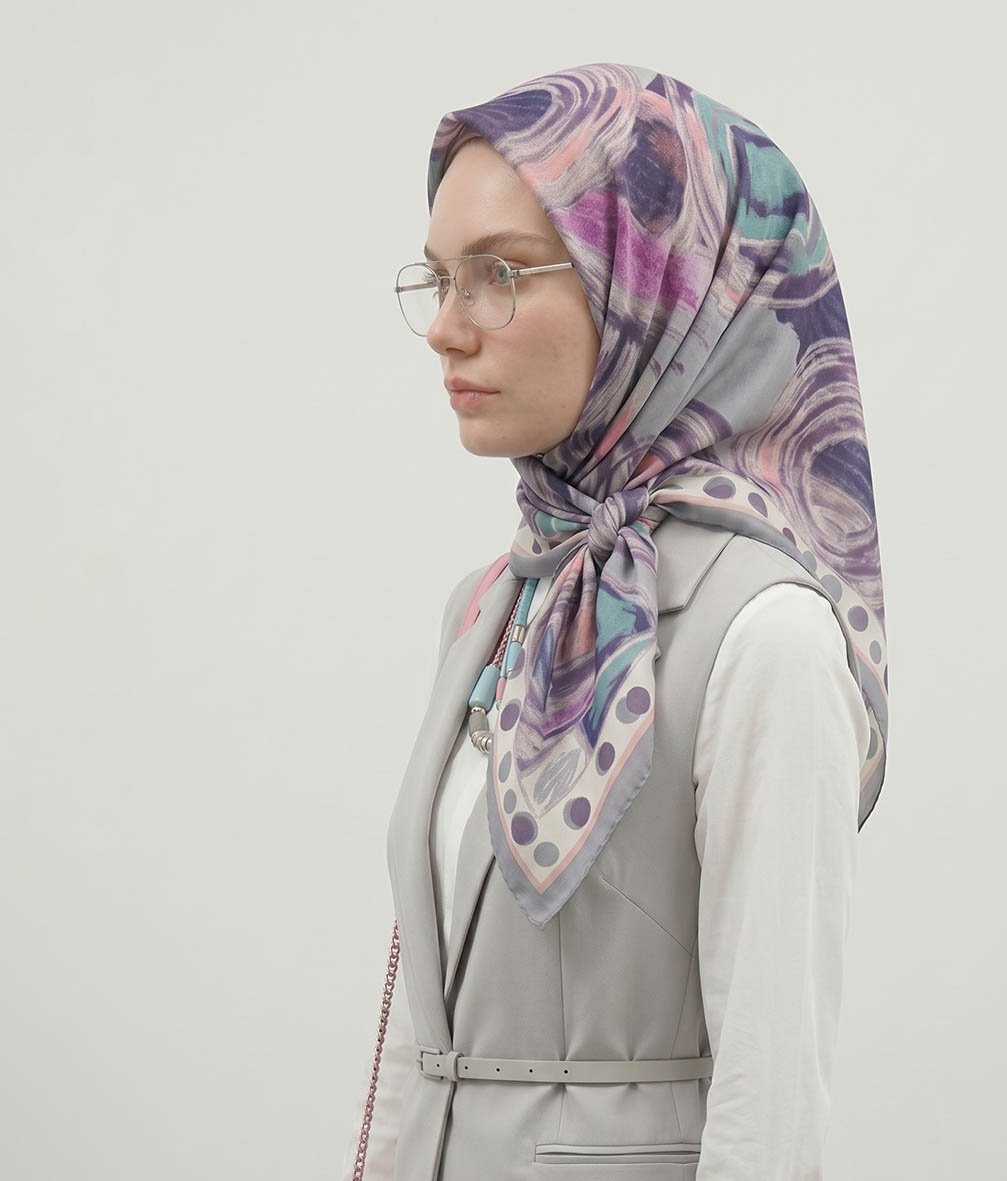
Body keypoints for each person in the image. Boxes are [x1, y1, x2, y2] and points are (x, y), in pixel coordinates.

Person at [340, 62, 888, 1180]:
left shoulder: (767, 636)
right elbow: (419, 1034)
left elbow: (773, 1105)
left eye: (496, 275)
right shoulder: (495, 601)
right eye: (438, 278)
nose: (444, 329)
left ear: (656, 289)